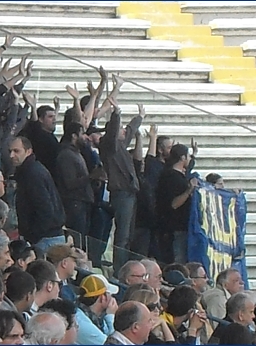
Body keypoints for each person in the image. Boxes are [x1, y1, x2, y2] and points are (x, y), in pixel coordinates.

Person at [99, 97, 144, 276]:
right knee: (122, 235)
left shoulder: (119, 146)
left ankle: (123, 266)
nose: (125, 131)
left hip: (129, 194)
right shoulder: (109, 146)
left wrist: (139, 117)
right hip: (122, 194)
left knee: (127, 234)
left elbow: (131, 131)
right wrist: (116, 113)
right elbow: (114, 132)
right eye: (121, 129)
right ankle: (120, 270)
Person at [10, 136, 65, 252]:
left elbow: (46, 209)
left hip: (45, 240)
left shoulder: (33, 174)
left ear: (28, 151)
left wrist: (32, 236)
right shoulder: (29, 172)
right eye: (10, 151)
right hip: (45, 237)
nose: (11, 155)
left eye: (16, 151)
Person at [156, 144, 198, 264]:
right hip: (174, 228)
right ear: (182, 158)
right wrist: (189, 191)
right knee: (177, 261)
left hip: (180, 227)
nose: (189, 159)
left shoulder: (178, 175)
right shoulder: (171, 177)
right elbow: (173, 204)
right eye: (188, 156)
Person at [75, 274, 119, 345]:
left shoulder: (97, 318)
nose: (112, 298)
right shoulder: (81, 323)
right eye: (110, 294)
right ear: (103, 298)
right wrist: (111, 316)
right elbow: (112, 343)